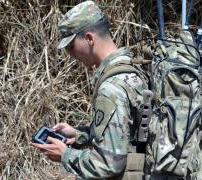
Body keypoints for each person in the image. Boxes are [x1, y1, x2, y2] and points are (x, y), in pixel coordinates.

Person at [31, 1, 149, 179]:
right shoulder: (132, 67)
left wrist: (65, 155)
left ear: (89, 38)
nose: (70, 55)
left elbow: (108, 164)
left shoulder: (111, 88)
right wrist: (80, 135)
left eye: (71, 46)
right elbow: (130, 132)